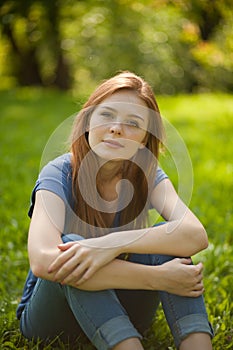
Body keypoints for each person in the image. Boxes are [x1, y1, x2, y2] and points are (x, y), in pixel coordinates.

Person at [17, 71, 213, 350]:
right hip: (51, 319)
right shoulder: (59, 173)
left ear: (146, 137)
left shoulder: (146, 175)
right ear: (87, 121)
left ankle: (197, 346)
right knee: (71, 248)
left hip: (124, 307)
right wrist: (158, 278)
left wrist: (109, 244)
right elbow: (43, 260)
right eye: (106, 115)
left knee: (168, 238)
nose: (117, 128)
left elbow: (194, 234)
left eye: (133, 123)